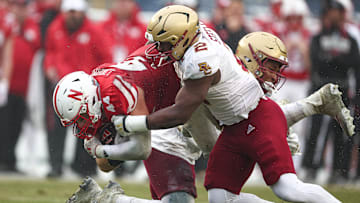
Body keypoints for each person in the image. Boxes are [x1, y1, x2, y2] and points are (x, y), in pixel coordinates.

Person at [110, 5, 348, 203]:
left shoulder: (200, 61)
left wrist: (130, 124)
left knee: (287, 188)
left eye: (165, 44)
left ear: (182, 38)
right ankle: (313, 104)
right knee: (220, 197)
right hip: (233, 127)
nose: (160, 50)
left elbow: (181, 113)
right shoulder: (194, 32)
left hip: (257, 118)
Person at [43, 0, 112, 178]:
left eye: (76, 11)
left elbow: (106, 59)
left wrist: (96, 82)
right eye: (69, 11)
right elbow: (50, 52)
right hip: (61, 87)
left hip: (86, 90)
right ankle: (55, 165)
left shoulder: (95, 31)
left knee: (86, 127)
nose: (72, 15)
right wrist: (49, 67)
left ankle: (83, 167)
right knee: (55, 126)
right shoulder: (55, 28)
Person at [301, 0, 360, 184]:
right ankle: (310, 168)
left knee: (340, 133)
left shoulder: (350, 40)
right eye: (331, 13)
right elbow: (317, 60)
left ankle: (338, 171)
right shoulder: (317, 38)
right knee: (315, 132)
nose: (334, 17)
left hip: (342, 91)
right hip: (320, 89)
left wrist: (333, 59)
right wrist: (338, 60)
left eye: (337, 13)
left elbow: (354, 64)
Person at [0, 0, 41, 173]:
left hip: (21, 86)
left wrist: (5, 81)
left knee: (14, 124)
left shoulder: (18, 24)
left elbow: (9, 53)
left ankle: (9, 161)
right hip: (8, 83)